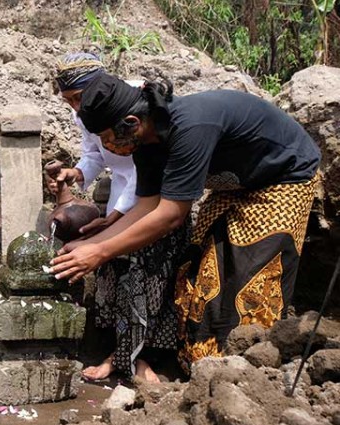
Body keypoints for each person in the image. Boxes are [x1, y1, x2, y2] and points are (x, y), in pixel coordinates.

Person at [49, 72, 320, 372]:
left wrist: (100, 253)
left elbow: (170, 216)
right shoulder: (147, 145)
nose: (106, 147)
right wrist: (89, 244)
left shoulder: (190, 128)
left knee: (249, 286)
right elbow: (146, 207)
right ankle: (199, 364)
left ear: (132, 123)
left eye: (107, 138)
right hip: (234, 186)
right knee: (203, 276)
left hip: (283, 179)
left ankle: (254, 367)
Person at [47, 53, 189, 382]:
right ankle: (118, 353)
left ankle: (144, 360)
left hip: (153, 199)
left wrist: (114, 220)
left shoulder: (135, 104)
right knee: (115, 275)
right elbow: (94, 154)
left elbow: (148, 171)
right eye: (68, 101)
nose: (75, 107)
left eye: (78, 98)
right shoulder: (87, 115)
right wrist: (77, 172)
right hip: (121, 198)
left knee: (148, 277)